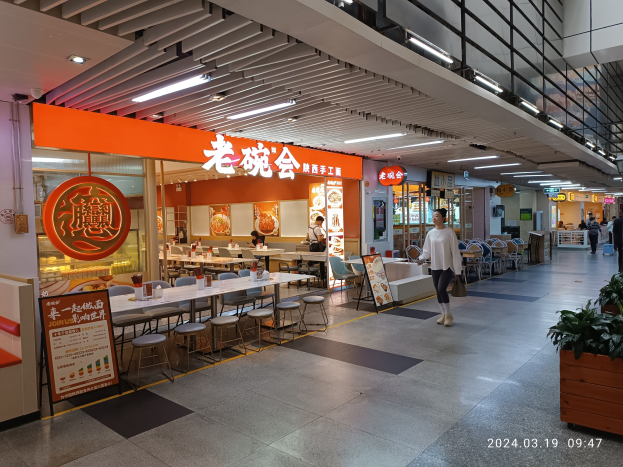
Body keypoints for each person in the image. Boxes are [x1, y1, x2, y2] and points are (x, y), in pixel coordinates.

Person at [416, 208, 463, 327]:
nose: (433, 218)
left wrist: (458, 271)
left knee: (442, 289)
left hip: (447, 266)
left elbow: (455, 252)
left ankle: (448, 315)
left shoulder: (450, 232)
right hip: (435, 266)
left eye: (436, 216)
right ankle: (443, 314)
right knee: (437, 291)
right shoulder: (430, 233)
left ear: (443, 218)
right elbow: (427, 250)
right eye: (433, 216)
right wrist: (421, 258)